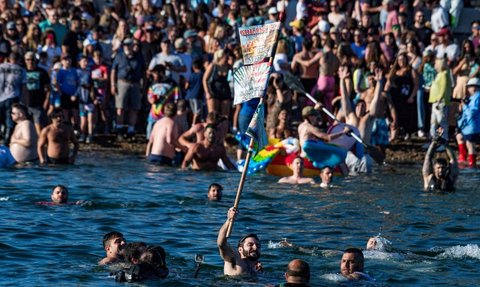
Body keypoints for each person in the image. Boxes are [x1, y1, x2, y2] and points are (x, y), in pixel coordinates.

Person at [217, 207, 262, 276]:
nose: (255, 247)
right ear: (240, 249)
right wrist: (229, 220)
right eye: (250, 244)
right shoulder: (234, 259)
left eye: (258, 246)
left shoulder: (257, 268)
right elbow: (221, 244)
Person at [456, 78, 480, 167]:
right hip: (467, 126)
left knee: (470, 144)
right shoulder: (472, 97)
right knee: (459, 136)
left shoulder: (477, 97)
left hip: (473, 127)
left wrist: (465, 105)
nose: (468, 89)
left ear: (474, 87)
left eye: (469, 87)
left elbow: (471, 113)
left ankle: (471, 163)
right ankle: (463, 157)